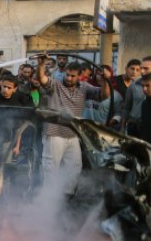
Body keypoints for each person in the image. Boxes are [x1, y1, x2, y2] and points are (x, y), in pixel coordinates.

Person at [36, 55, 109, 195]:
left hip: (73, 134)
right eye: (67, 75)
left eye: (73, 76)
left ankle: (67, 196)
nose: (69, 78)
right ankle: (47, 198)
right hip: (54, 133)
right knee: (51, 168)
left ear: (79, 76)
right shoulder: (55, 85)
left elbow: (104, 95)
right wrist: (40, 65)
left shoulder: (84, 87)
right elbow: (42, 79)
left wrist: (106, 80)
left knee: (74, 168)